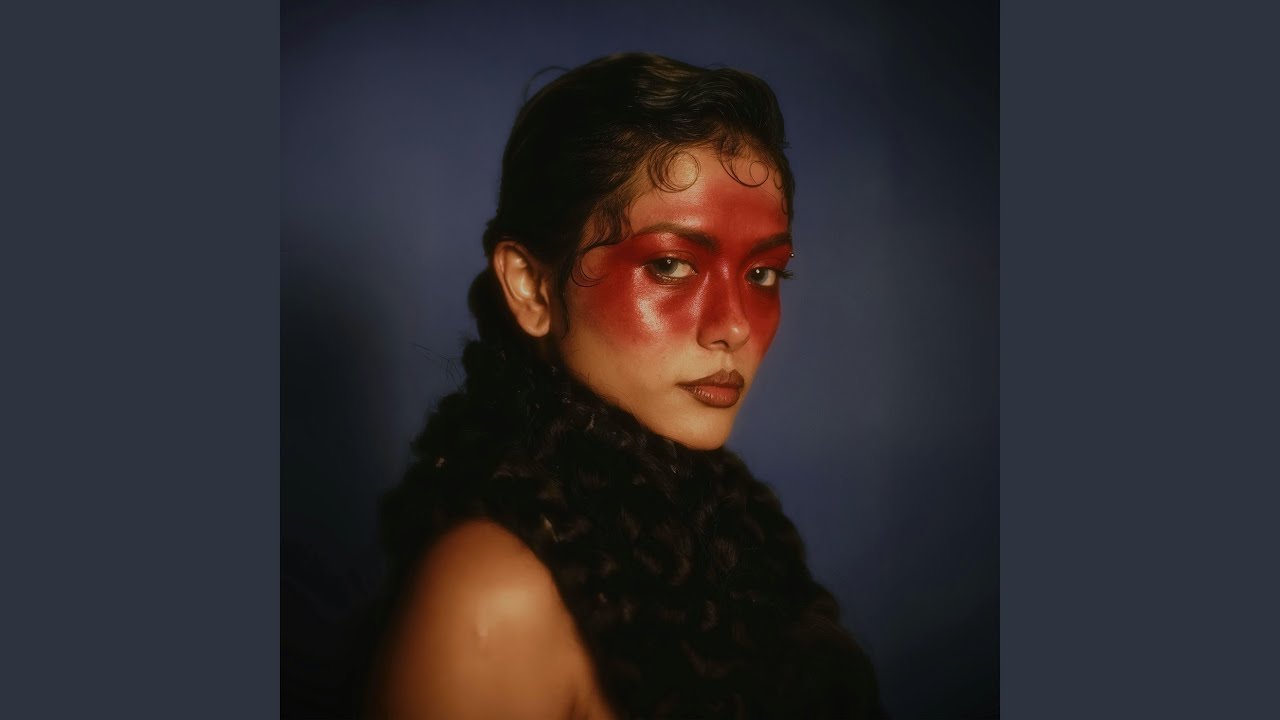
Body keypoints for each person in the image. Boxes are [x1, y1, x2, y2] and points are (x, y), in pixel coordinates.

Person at [367, 52, 884, 719]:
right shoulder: (493, 594)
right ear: (531, 287)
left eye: (762, 274)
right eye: (670, 265)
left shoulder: (725, 525)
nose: (732, 326)